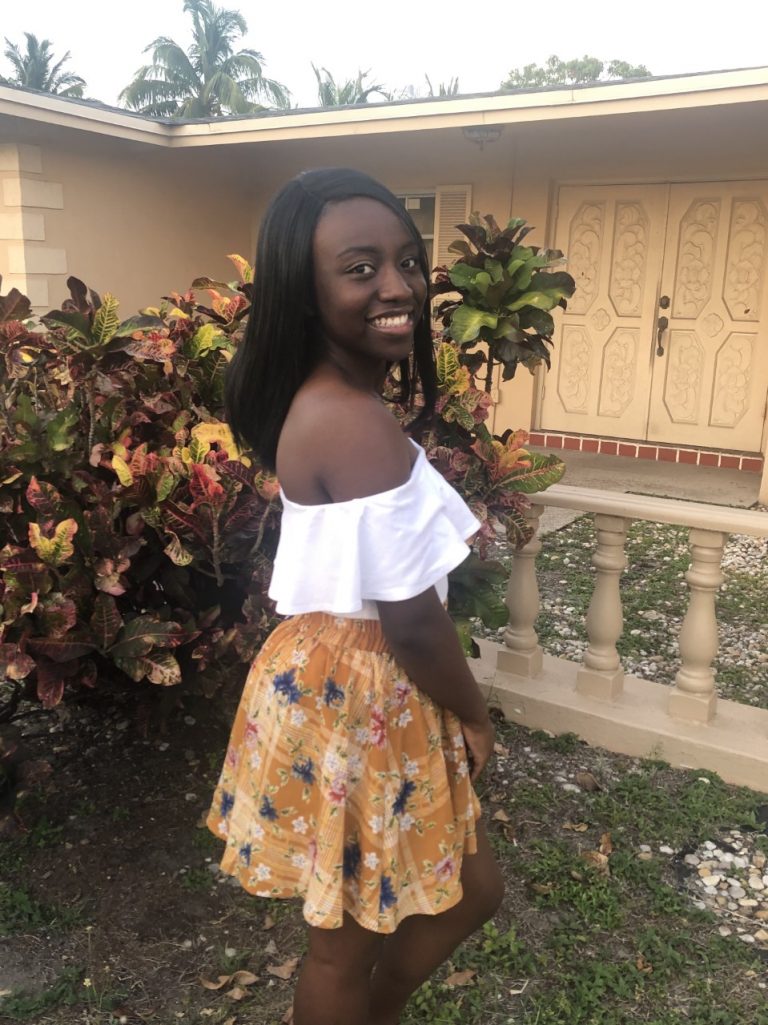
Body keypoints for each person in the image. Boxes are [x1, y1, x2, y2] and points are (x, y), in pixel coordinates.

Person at [206, 167, 504, 1025]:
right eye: (361, 267)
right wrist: (476, 715)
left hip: (346, 673)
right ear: (306, 294)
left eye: (407, 262)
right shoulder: (350, 418)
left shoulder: (335, 401)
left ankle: (378, 1010)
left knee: (465, 886)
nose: (398, 286)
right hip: (367, 685)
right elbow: (410, 617)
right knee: (345, 937)